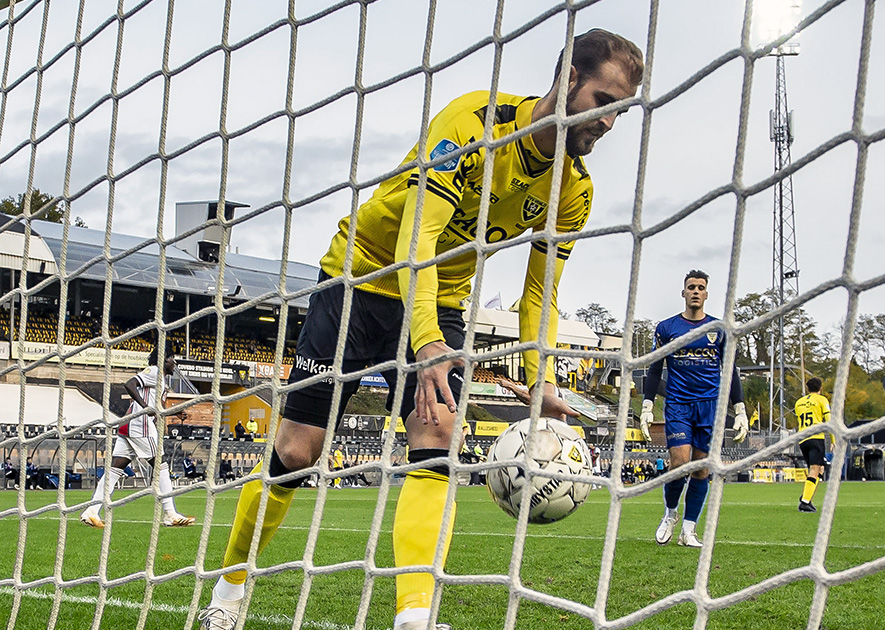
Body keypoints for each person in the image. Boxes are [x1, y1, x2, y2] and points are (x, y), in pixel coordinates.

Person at [200, 29, 643, 630]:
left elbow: (540, 293)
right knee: (298, 453)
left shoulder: (574, 190)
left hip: (445, 298)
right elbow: (418, 242)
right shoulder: (471, 123)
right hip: (361, 278)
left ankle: (414, 615)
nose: (610, 121)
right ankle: (229, 591)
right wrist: (427, 340)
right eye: (603, 101)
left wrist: (541, 380)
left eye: (621, 109)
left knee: (437, 441)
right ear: (567, 80)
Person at [640, 270, 749, 548]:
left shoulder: (720, 330)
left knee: (701, 469)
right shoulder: (667, 328)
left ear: (706, 294)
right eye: (691, 287)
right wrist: (647, 404)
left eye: (701, 287)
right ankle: (670, 514)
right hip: (678, 404)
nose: (696, 291)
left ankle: (689, 530)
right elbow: (655, 367)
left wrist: (740, 409)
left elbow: (730, 370)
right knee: (679, 463)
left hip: (710, 406)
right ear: (684, 293)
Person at [80, 354, 195, 528]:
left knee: (114, 470)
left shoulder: (160, 380)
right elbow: (130, 384)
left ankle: (92, 511)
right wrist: (144, 406)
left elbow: (157, 408)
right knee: (161, 466)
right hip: (141, 426)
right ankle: (170, 514)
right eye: (171, 358)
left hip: (131, 425)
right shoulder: (154, 371)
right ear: (163, 359)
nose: (174, 362)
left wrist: (174, 412)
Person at [794, 377, 831, 513]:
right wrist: (833, 440)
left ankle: (806, 495)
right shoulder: (822, 400)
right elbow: (828, 421)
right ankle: (804, 502)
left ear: (808, 388)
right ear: (820, 388)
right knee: (815, 470)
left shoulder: (799, 402)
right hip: (816, 437)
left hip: (803, 439)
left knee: (820, 469)